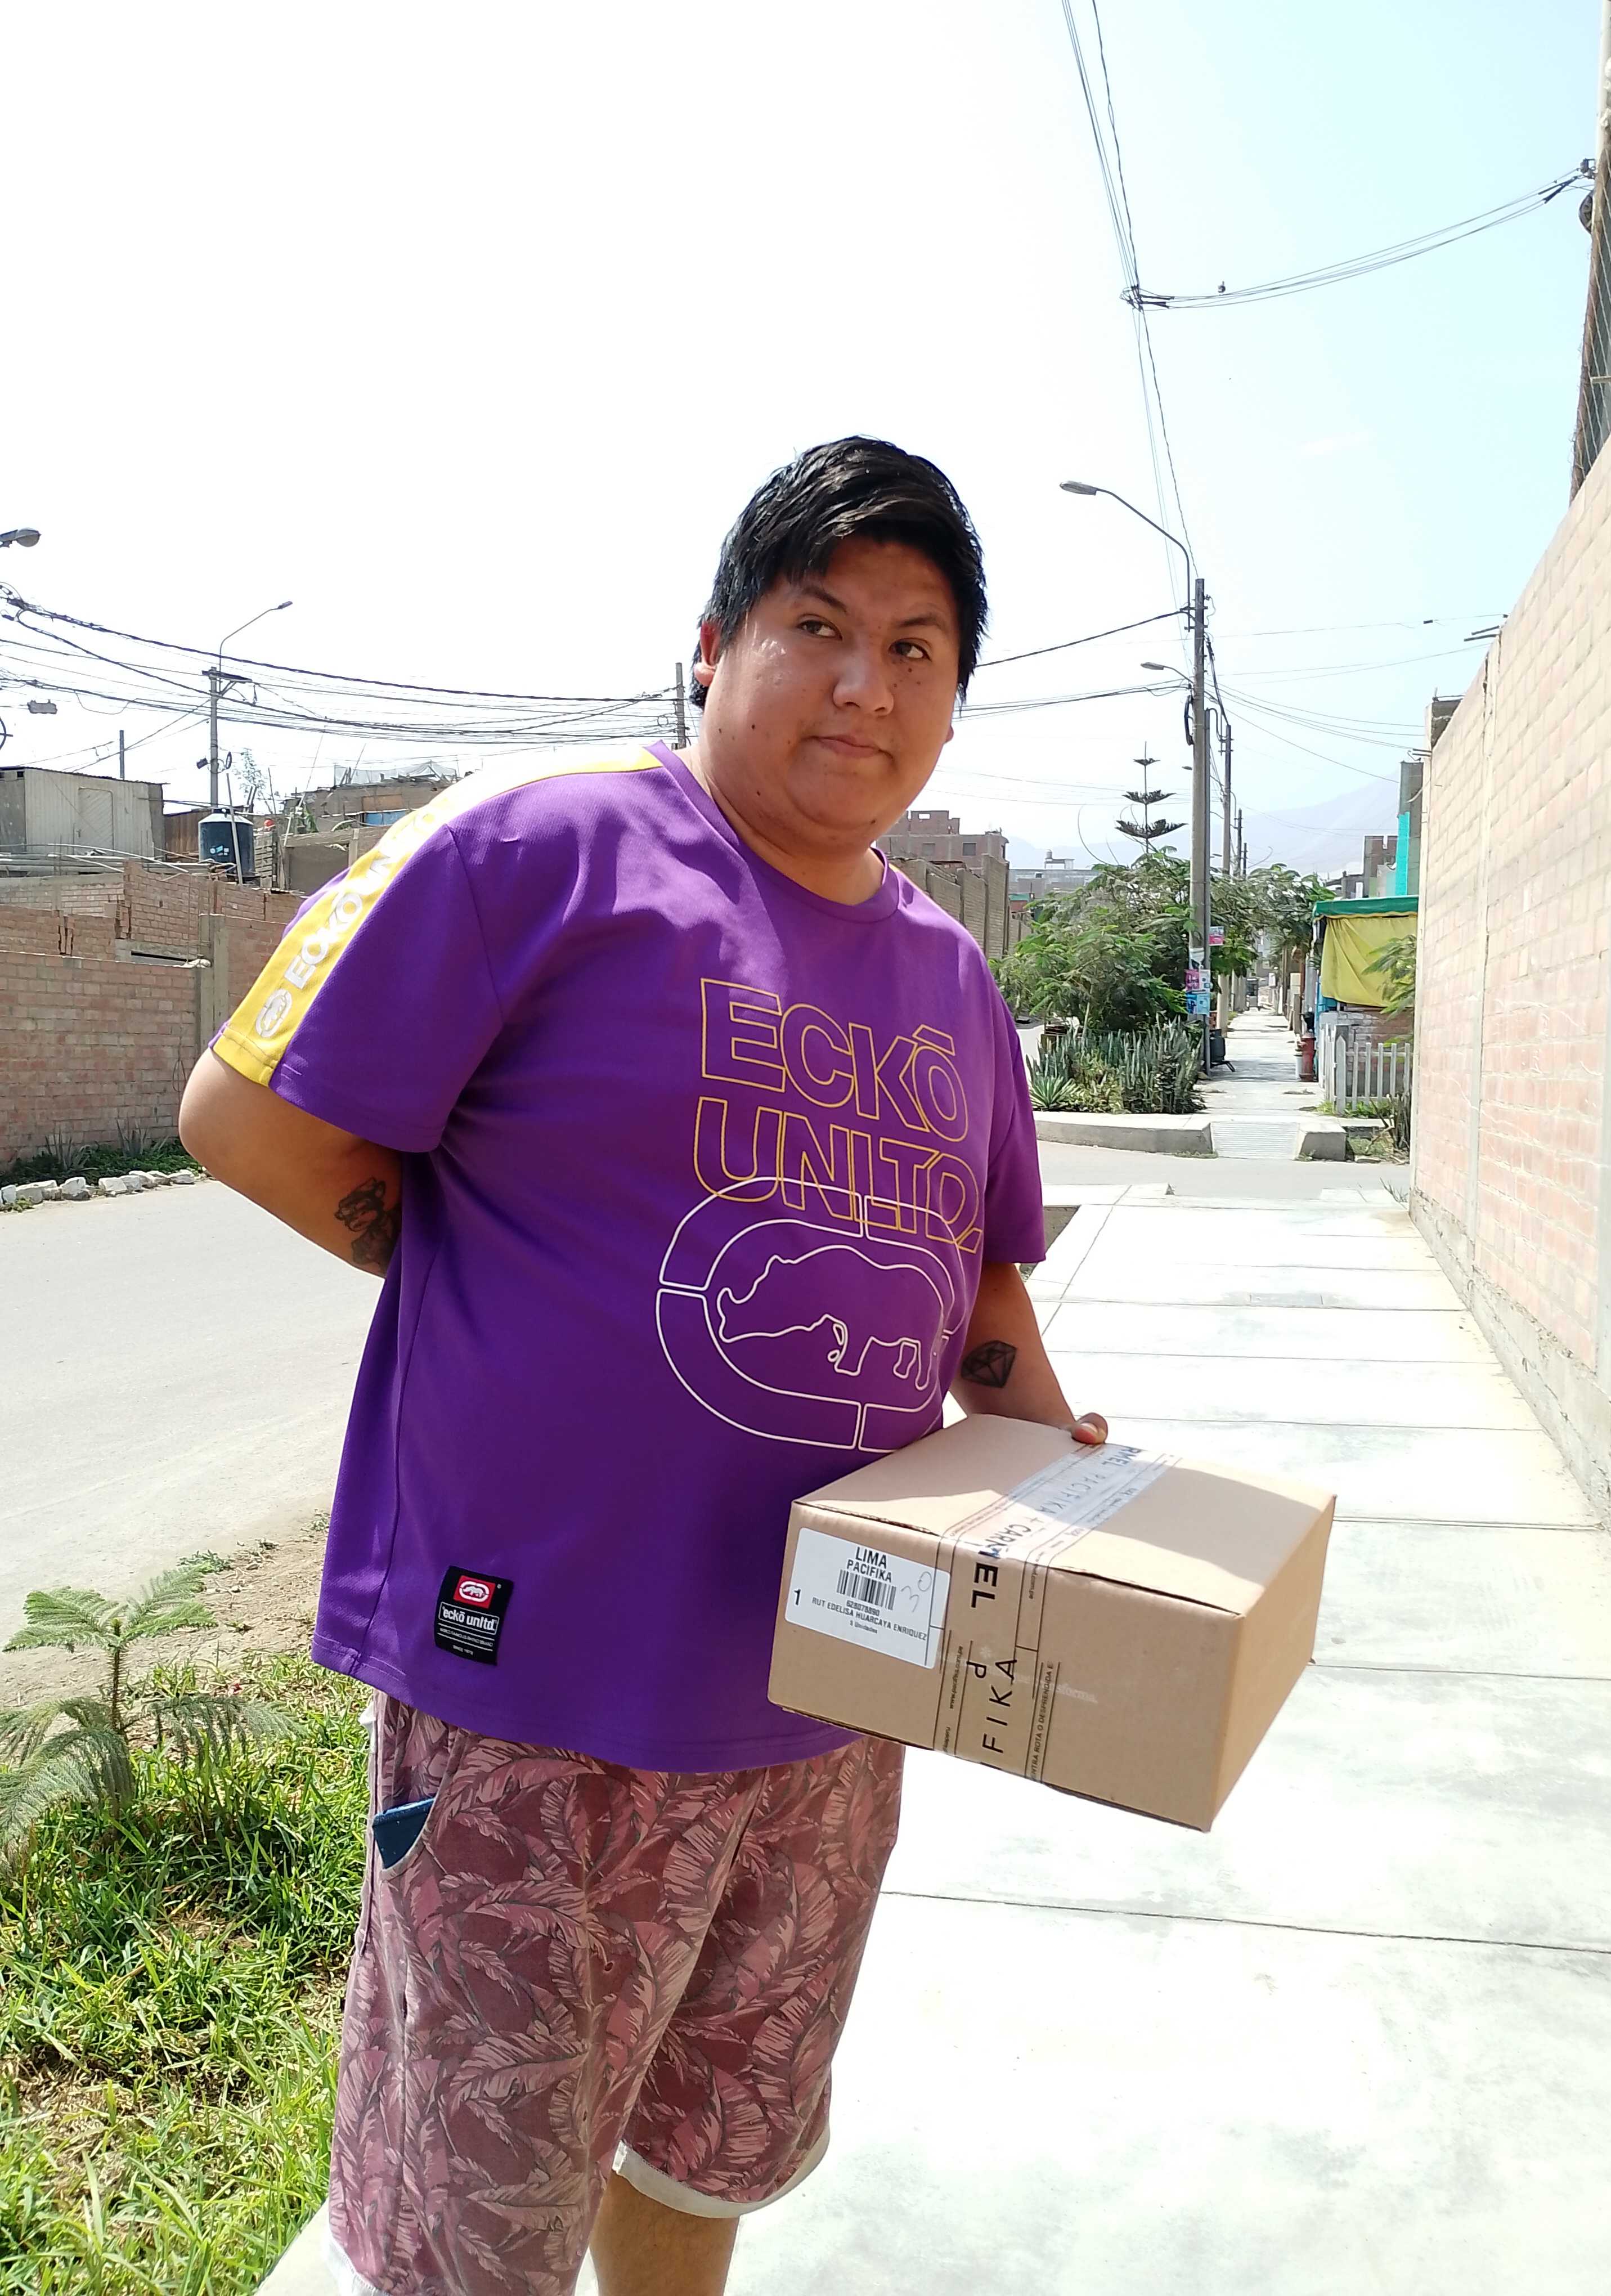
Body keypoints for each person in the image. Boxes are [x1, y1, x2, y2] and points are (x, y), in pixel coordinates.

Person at [181, 436, 1106, 2296]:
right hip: (531, 1685)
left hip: (827, 1697)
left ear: (952, 701)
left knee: (711, 2141)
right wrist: (493, 1286)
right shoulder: (536, 850)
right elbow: (244, 1118)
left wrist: (1074, 1494)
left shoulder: (950, 976)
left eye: (917, 649)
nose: (866, 686)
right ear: (712, 645)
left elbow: (980, 1279)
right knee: (481, 2210)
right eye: (818, 626)